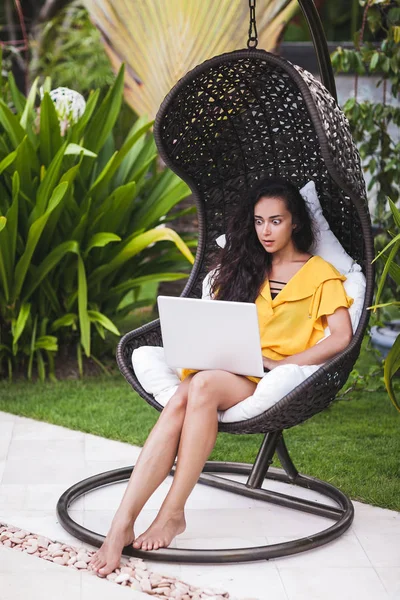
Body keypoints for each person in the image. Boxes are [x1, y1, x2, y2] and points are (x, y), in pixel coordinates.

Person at [90, 176, 353, 575]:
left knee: (201, 386)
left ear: (295, 222)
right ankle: (122, 523)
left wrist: (287, 363)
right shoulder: (246, 265)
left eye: (276, 221)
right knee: (186, 394)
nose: (266, 231)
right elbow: (216, 321)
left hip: (264, 374)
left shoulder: (320, 273)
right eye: (259, 221)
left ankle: (171, 512)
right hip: (224, 363)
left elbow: (341, 337)